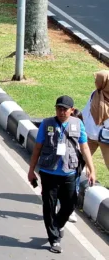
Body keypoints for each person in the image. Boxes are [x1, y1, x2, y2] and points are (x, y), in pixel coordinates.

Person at [27, 95, 97, 254]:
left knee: (70, 204)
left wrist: (92, 169)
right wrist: (31, 171)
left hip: (69, 171)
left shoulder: (78, 124)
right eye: (59, 108)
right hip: (48, 172)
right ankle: (54, 239)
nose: (61, 111)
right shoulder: (46, 124)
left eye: (65, 109)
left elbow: (84, 147)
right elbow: (37, 148)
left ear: (72, 110)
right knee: (49, 206)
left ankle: (57, 224)